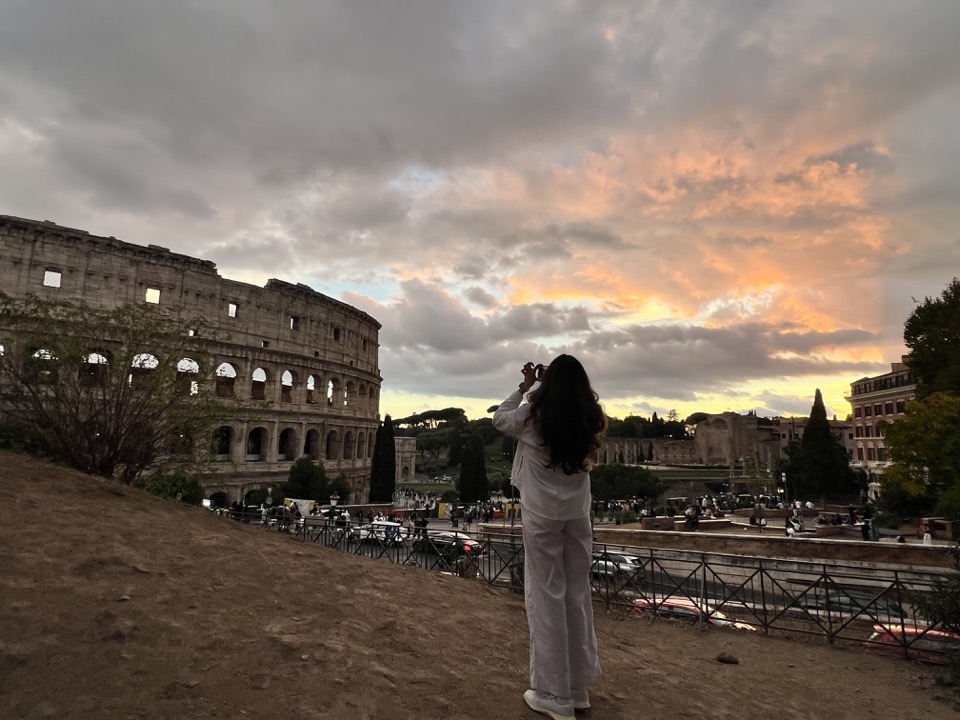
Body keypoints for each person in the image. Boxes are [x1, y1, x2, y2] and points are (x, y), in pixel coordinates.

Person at [493, 355, 607, 720]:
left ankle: (554, 694)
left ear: (549, 383)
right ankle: (577, 689)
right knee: (576, 595)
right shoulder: (591, 417)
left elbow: (500, 417)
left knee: (546, 598)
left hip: (542, 515)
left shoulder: (534, 417)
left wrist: (526, 386)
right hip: (577, 515)